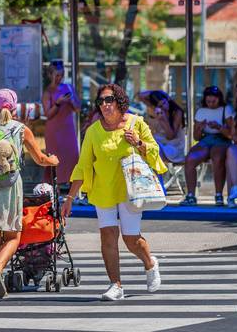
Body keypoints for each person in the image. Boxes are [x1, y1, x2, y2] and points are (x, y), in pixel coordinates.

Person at [62, 83, 165, 301]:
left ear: (119, 101)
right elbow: (83, 165)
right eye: (101, 102)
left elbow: (155, 151)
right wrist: (70, 197)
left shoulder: (136, 123)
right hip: (103, 190)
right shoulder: (93, 131)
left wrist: (137, 142)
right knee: (108, 237)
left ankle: (150, 263)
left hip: (130, 191)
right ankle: (116, 285)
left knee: (131, 239)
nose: (105, 105)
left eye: (109, 100)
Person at [0, 88, 59, 299]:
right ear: (14, 107)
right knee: (13, 236)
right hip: (8, 189)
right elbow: (40, 159)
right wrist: (53, 160)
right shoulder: (20, 129)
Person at [181, 86, 234, 207]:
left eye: (213, 101)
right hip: (206, 139)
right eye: (208, 101)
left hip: (222, 139)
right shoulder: (201, 111)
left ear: (219, 99)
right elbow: (196, 137)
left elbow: (231, 134)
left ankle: (219, 194)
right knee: (190, 158)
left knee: (218, 158)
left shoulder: (226, 109)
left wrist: (219, 127)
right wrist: (199, 128)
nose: (210, 104)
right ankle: (190, 195)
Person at [42, 60, 80, 186]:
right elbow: (48, 114)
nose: (60, 78)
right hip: (54, 131)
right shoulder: (47, 92)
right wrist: (58, 103)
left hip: (68, 129)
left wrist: (70, 101)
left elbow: (78, 108)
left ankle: (72, 190)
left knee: (72, 159)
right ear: (50, 75)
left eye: (61, 75)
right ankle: (55, 190)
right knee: (55, 161)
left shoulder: (68, 88)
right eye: (57, 75)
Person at [138, 90, 186, 164]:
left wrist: (163, 120)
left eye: (164, 103)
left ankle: (157, 174)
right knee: (143, 146)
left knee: (153, 149)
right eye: (160, 106)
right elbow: (141, 96)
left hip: (174, 147)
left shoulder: (177, 112)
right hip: (161, 144)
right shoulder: (156, 111)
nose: (164, 107)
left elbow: (171, 136)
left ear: (167, 100)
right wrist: (155, 93)